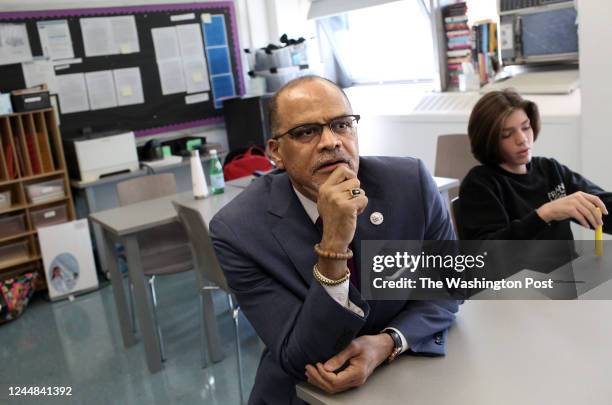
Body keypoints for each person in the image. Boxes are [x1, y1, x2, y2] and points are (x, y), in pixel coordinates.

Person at [210, 75, 460, 404]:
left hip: (408, 375)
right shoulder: (238, 230)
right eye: (305, 132)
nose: (331, 141)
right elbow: (300, 356)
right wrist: (333, 248)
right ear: (276, 153)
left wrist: (388, 343)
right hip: (310, 394)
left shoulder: (409, 183)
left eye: (342, 125)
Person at [459, 89, 611, 241]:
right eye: (506, 134)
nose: (522, 139)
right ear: (488, 139)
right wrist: (545, 214)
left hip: (569, 265)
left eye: (526, 127)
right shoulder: (479, 185)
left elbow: (601, 205)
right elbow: (488, 253)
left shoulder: (550, 169)